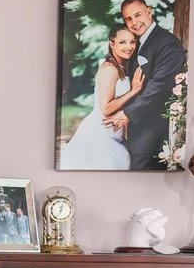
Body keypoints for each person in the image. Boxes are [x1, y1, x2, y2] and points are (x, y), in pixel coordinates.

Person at [104, 0, 188, 169]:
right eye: (128, 19)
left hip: (152, 132)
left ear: (149, 12)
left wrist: (128, 113)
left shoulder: (167, 43)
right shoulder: (136, 43)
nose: (134, 22)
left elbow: (159, 85)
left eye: (137, 15)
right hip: (135, 132)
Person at [59, 26, 145, 170]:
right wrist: (133, 91)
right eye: (122, 42)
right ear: (112, 44)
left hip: (113, 135)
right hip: (99, 134)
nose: (129, 47)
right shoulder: (110, 69)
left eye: (132, 42)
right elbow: (105, 108)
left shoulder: (121, 67)